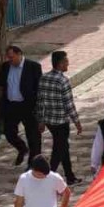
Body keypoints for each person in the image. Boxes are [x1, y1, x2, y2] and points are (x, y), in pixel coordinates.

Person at [0, 46, 43, 165]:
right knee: (9, 133)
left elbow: (39, 89)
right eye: (8, 58)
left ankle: (33, 164)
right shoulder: (6, 67)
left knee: (33, 137)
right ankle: (22, 148)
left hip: (28, 107)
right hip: (11, 106)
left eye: (12, 57)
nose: (10, 60)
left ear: (19, 54)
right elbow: (0, 81)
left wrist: (40, 110)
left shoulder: (33, 67)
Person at [37, 51, 83, 184]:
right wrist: (77, 122)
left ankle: (70, 176)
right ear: (61, 63)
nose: (68, 63)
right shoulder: (63, 81)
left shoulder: (44, 78)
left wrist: (41, 120)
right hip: (61, 122)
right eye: (66, 61)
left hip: (50, 121)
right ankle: (47, 176)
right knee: (58, 149)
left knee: (63, 146)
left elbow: (40, 101)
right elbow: (69, 105)